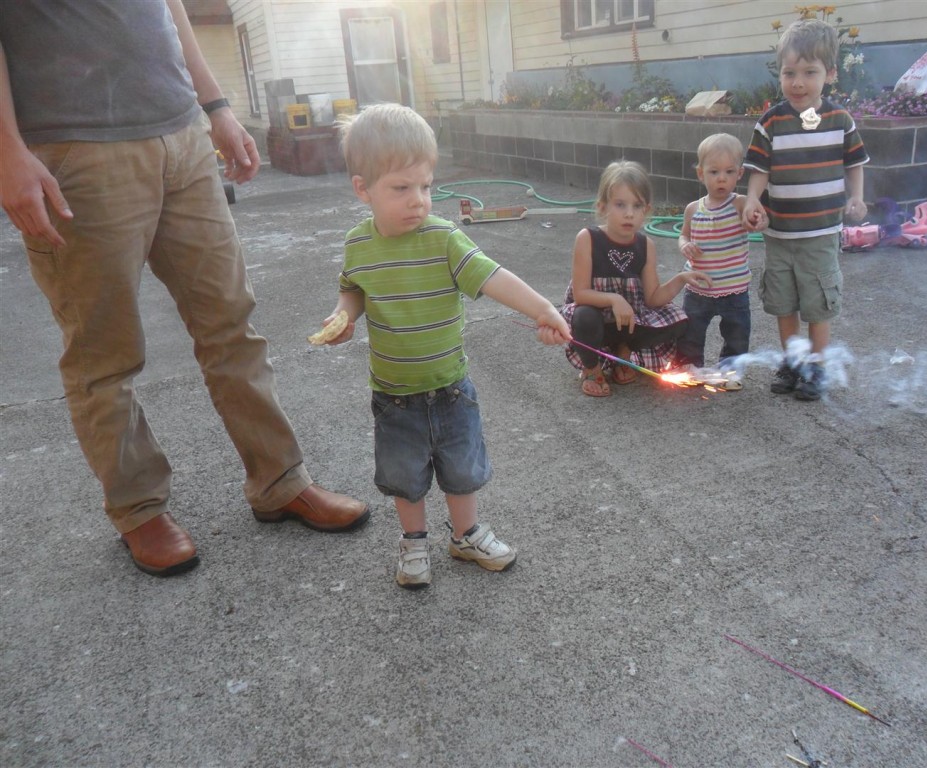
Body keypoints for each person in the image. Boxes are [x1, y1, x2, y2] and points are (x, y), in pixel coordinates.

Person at [0, 0, 371, 578]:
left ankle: (279, 480)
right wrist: (7, 152)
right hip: (75, 148)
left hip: (182, 133)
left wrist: (216, 106)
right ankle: (138, 508)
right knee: (104, 350)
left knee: (231, 322)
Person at [318, 103, 570, 590]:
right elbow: (354, 288)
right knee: (403, 475)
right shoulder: (358, 245)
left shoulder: (444, 239)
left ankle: (466, 534)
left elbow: (492, 275)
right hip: (392, 393)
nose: (418, 200)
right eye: (401, 188)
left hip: (450, 387)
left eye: (426, 186)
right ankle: (413, 540)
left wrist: (541, 308)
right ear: (362, 189)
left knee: (462, 469)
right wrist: (343, 314)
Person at [742, 18, 869, 401]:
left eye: (809, 73)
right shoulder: (772, 122)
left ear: (830, 74)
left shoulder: (840, 122)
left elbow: (854, 163)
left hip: (820, 234)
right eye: (789, 73)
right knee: (783, 302)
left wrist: (856, 196)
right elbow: (760, 170)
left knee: (818, 304)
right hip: (780, 234)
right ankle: (793, 359)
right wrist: (751, 201)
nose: (798, 82)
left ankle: (816, 365)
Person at [560, 161, 710, 397]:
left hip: (629, 324)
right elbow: (580, 294)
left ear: (646, 210)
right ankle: (592, 368)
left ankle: (624, 351)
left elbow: (652, 299)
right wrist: (613, 299)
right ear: (603, 206)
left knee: (679, 321)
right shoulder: (588, 238)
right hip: (596, 322)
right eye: (620, 204)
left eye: (637, 205)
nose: (629, 213)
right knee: (584, 316)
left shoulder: (645, 245)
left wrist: (680, 279)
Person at [677, 134, 761, 385]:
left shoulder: (740, 204)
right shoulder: (694, 208)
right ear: (701, 174)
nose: (721, 178)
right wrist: (686, 245)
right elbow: (683, 235)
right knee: (691, 330)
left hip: (733, 289)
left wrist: (757, 220)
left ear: (740, 174)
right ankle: (689, 366)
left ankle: (731, 369)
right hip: (698, 287)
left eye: (729, 171)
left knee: (737, 333)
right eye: (714, 172)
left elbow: (760, 221)